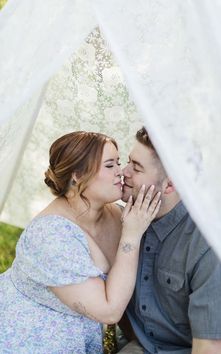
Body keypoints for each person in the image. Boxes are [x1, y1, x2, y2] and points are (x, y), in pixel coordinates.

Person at [0, 131, 162, 353]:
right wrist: (131, 236)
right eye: (109, 165)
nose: (121, 172)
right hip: (27, 337)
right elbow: (109, 311)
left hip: (78, 333)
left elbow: (120, 286)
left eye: (118, 162)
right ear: (76, 175)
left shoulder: (117, 215)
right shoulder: (51, 236)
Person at [118, 127, 221, 354]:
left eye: (136, 167)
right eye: (128, 162)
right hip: (144, 346)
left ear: (169, 185)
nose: (125, 171)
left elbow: (209, 347)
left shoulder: (208, 244)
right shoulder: (122, 219)